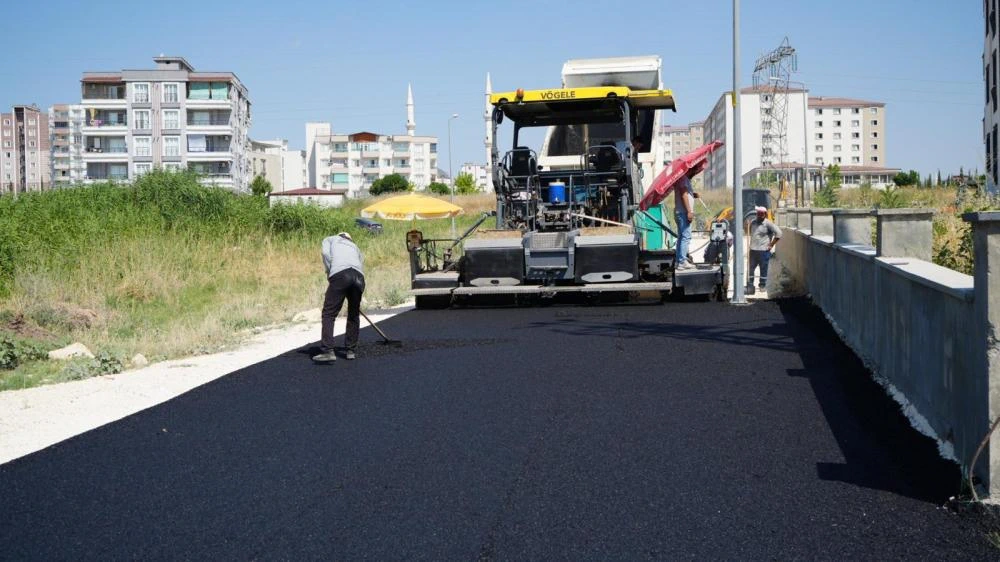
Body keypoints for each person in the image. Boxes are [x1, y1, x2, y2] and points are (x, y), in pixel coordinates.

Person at [313, 232, 366, 363]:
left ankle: (327, 351)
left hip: (341, 274)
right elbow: (360, 261)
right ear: (349, 238)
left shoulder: (330, 239)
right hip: (359, 277)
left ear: (340, 235)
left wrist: (330, 272)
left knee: (329, 313)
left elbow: (325, 254)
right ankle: (350, 350)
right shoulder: (354, 246)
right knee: (353, 313)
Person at [748, 206, 782, 290]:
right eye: (758, 214)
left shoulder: (768, 224)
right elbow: (748, 231)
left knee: (763, 268)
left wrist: (771, 245)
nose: (759, 215)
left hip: (763, 251)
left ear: (765, 214)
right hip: (753, 250)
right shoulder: (753, 222)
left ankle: (762, 285)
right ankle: (750, 284)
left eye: (761, 214)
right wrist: (747, 225)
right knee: (751, 268)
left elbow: (779, 233)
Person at [674, 175, 695, 271]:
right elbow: (684, 194)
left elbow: (684, 193)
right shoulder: (683, 179)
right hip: (683, 212)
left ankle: (679, 261)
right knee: (686, 237)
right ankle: (682, 261)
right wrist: (689, 211)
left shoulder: (680, 178)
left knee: (681, 237)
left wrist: (693, 195)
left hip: (680, 212)